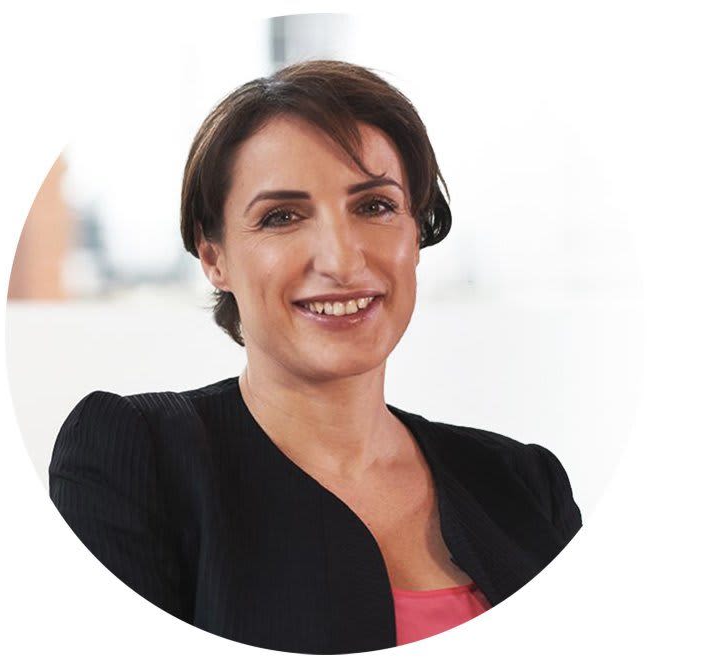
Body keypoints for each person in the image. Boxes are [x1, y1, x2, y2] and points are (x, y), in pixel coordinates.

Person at [49, 60, 582, 654]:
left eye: (375, 206)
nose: (341, 260)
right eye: (282, 217)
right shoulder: (136, 458)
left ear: (416, 234)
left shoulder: (524, 483)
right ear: (214, 257)